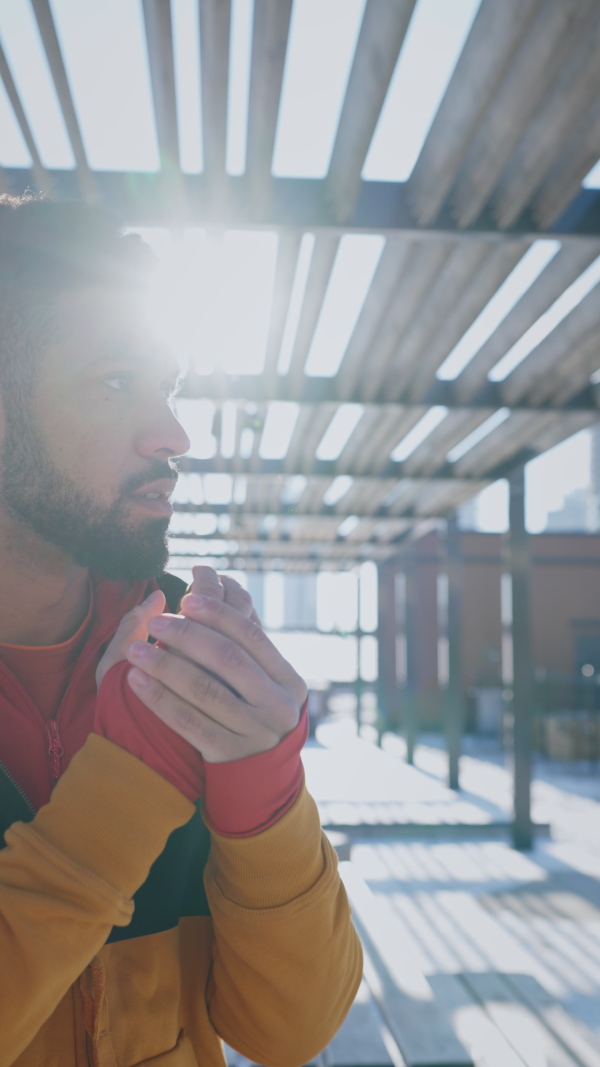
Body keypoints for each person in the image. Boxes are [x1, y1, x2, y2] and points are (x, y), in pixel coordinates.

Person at [0, 194, 362, 1066]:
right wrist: (128, 787)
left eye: (165, 387)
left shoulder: (185, 659)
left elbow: (288, 1031)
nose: (175, 433)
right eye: (114, 383)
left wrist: (264, 791)